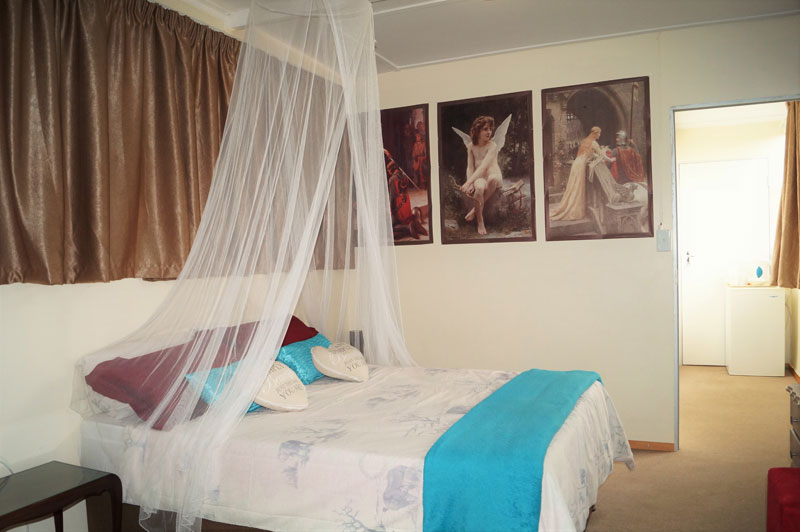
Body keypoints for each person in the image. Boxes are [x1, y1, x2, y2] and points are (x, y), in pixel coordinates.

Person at [550, 126, 614, 221]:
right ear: (595, 133)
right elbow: (601, 155)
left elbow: (590, 153)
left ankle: (569, 206)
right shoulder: (594, 143)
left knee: (573, 186)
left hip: (576, 163)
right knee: (577, 187)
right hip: (580, 166)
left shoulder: (585, 140)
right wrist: (611, 159)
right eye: (599, 133)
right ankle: (574, 210)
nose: (600, 135)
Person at [459, 116, 503, 235]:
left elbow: (483, 166)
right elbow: (470, 167)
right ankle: (480, 222)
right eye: (485, 129)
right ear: (477, 130)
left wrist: (468, 182)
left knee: (492, 179)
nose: (489, 132)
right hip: (480, 178)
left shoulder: (492, 146)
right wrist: (470, 183)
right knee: (478, 187)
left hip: (494, 175)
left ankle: (474, 210)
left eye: (490, 129)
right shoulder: (470, 146)